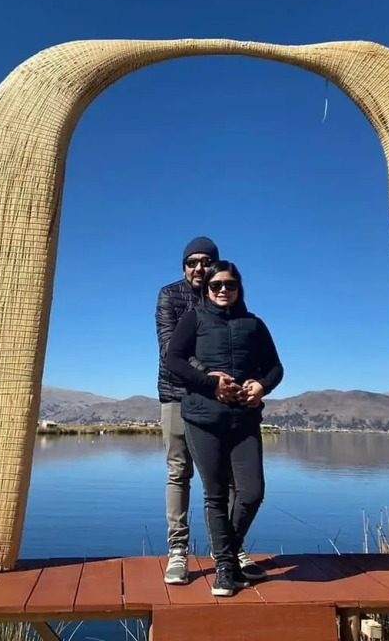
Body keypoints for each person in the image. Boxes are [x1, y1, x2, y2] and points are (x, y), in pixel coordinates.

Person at [165, 260, 283, 596]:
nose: (222, 290)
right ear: (206, 289)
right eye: (215, 285)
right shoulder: (194, 319)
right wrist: (210, 383)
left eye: (229, 284)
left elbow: (276, 368)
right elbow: (174, 360)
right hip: (203, 418)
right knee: (215, 494)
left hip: (244, 419)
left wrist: (261, 386)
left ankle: (226, 556)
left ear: (238, 287)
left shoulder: (254, 324)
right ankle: (225, 571)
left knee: (252, 492)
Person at [156, 236, 221, 585]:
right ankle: (178, 551)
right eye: (192, 262)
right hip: (176, 395)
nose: (199, 267)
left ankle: (225, 550)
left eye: (205, 261)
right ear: (184, 267)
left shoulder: (223, 294)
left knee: (219, 474)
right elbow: (170, 349)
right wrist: (209, 375)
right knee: (179, 472)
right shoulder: (169, 296)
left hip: (215, 398)